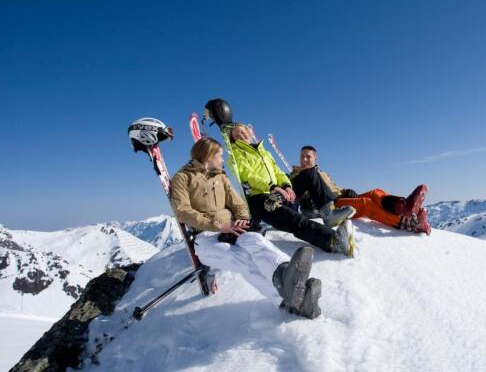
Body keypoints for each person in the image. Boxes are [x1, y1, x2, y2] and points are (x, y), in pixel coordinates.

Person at [170, 137, 321, 319]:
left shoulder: (220, 177)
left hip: (232, 229)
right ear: (208, 155)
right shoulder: (183, 177)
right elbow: (182, 211)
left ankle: (288, 274)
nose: (222, 159)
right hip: (205, 236)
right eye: (220, 155)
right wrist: (218, 225)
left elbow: (238, 203)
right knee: (243, 259)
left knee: (257, 241)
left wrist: (241, 218)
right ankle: (287, 302)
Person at [228, 123, 357, 257]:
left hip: (279, 192)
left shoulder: (262, 151)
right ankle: (332, 240)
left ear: (249, 132)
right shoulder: (235, 153)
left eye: (243, 131)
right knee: (294, 219)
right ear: (234, 140)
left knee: (310, 173)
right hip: (261, 198)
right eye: (237, 135)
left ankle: (328, 214)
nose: (242, 135)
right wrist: (272, 187)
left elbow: (278, 172)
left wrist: (286, 186)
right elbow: (247, 175)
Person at [291, 145, 431, 235]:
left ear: (315, 158)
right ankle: (410, 223)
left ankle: (403, 206)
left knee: (375, 192)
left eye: (308, 157)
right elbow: (296, 193)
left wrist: (346, 191)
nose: (304, 160)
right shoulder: (299, 176)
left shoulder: (322, 173)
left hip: (339, 197)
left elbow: (335, 188)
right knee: (366, 204)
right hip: (330, 205)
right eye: (302, 156)